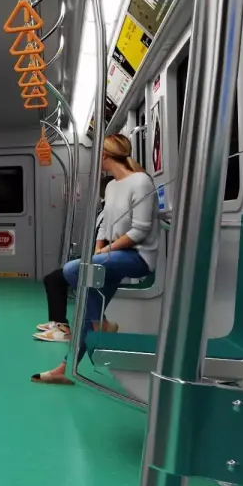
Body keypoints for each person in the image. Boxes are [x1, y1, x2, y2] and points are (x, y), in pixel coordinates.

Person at [32, 134, 160, 384]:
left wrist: (106, 251)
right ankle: (65, 369)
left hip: (138, 257)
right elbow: (104, 225)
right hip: (113, 254)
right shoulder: (111, 186)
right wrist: (99, 248)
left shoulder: (141, 182)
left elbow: (140, 231)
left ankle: (101, 324)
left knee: (72, 270)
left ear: (105, 155)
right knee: (85, 311)